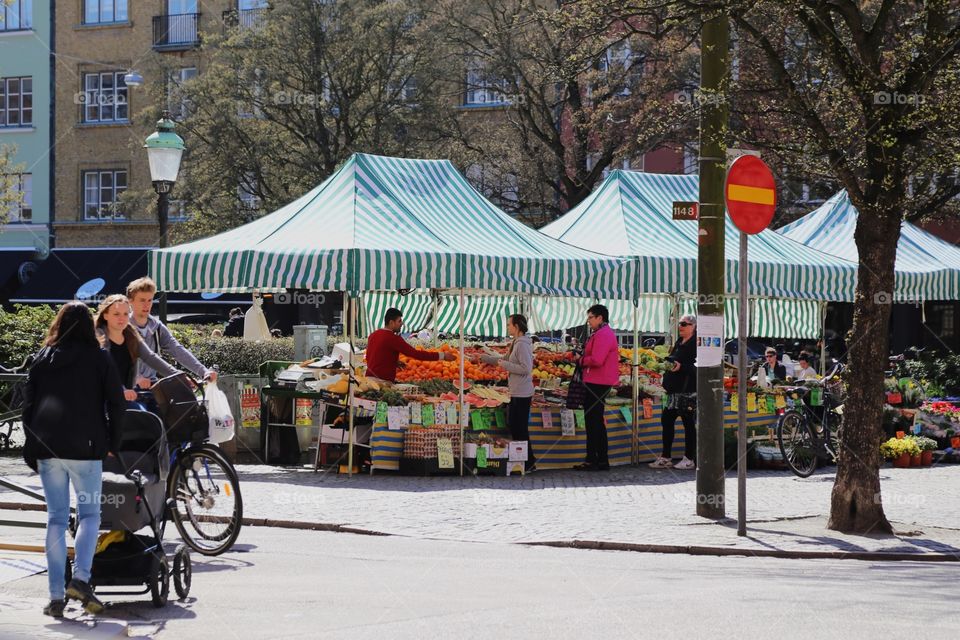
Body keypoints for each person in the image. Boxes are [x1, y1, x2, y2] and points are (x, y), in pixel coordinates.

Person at [21, 302, 126, 617]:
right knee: (90, 516)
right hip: (87, 449)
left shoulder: (41, 359)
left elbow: (28, 408)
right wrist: (113, 443)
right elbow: (117, 405)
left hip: (48, 450)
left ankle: (55, 597)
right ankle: (80, 579)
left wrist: (32, 445)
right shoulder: (100, 359)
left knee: (54, 519)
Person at [126, 277, 217, 384]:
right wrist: (135, 378)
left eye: (150, 300)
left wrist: (203, 371)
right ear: (130, 301)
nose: (147, 305)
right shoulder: (123, 327)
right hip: (126, 388)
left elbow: (177, 350)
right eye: (142, 300)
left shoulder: (156, 327)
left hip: (152, 386)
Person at [94, 294, 178, 403]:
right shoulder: (99, 337)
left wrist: (178, 376)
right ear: (105, 315)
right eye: (116, 314)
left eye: (125, 314)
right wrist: (121, 389)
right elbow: (105, 370)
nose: (122, 318)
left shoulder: (131, 334)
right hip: (102, 398)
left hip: (128, 396)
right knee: (141, 417)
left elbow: (150, 357)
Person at [478, 314, 535, 471]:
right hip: (516, 391)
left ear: (516, 327)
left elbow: (526, 368)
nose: (507, 327)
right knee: (516, 426)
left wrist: (504, 364)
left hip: (522, 393)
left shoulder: (522, 345)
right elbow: (503, 359)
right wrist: (483, 357)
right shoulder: (516, 343)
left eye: (509, 324)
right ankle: (523, 460)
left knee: (520, 428)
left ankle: (529, 461)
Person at [574, 304, 619, 471]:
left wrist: (580, 360)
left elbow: (597, 360)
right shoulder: (601, 333)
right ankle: (599, 459)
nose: (589, 321)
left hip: (598, 382)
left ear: (600, 317)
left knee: (594, 421)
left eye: (591, 318)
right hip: (597, 381)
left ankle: (594, 459)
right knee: (595, 421)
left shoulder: (604, 334)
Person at [650, 314, 698, 470]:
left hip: (687, 391)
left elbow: (700, 368)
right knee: (667, 420)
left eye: (684, 324)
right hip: (673, 391)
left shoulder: (696, 344)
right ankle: (666, 457)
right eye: (680, 323)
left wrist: (681, 367)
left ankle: (689, 458)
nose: (681, 326)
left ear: (693, 326)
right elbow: (675, 358)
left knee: (688, 424)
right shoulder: (679, 341)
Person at [365, 308, 452, 383]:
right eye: (399, 321)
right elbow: (416, 354)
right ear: (391, 322)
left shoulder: (373, 335)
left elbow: (372, 356)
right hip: (382, 382)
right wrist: (442, 355)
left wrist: (394, 362)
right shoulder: (394, 338)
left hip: (368, 379)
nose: (402, 324)